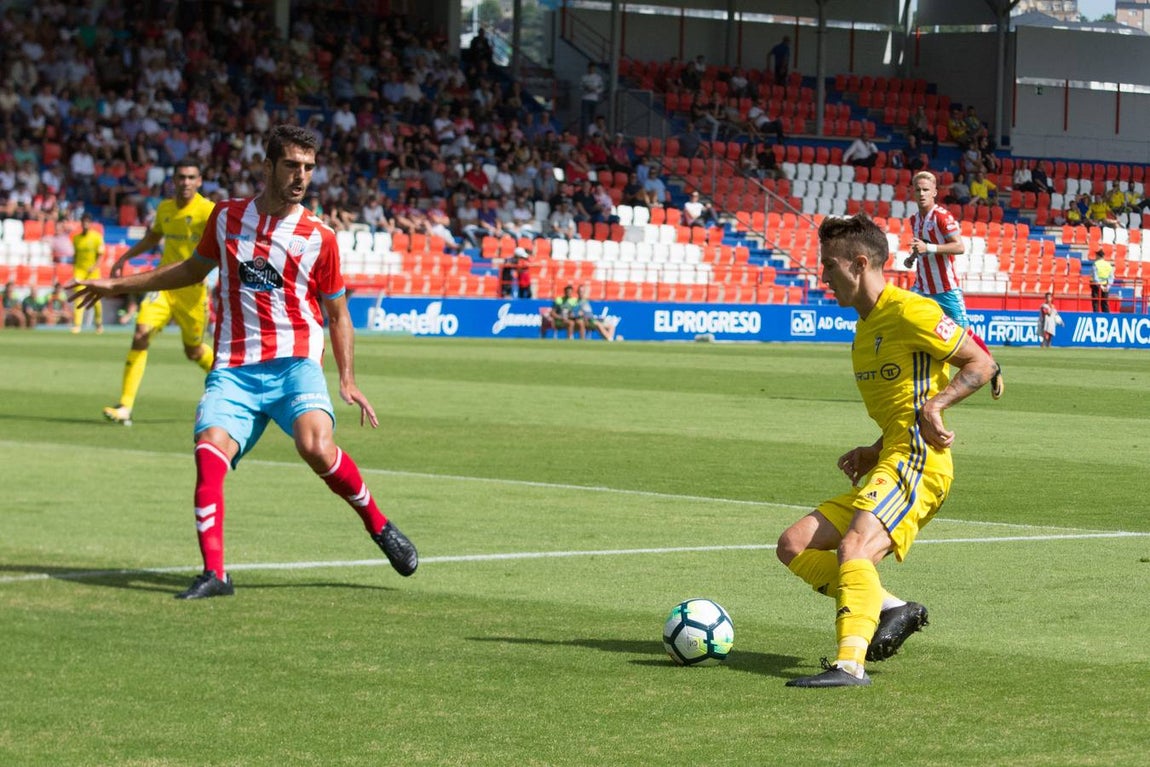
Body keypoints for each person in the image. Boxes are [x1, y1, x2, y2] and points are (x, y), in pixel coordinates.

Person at [67, 125, 418, 600]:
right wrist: (119, 284)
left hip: (294, 363)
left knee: (315, 446)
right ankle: (216, 575)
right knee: (208, 449)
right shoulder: (227, 217)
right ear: (267, 167)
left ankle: (378, 524)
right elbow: (192, 269)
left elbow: (338, 314)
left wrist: (348, 379)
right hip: (234, 366)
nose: (301, 176)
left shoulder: (320, 237)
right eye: (291, 165)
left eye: (309, 168)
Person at [777, 213, 996, 688]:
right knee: (793, 544)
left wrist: (938, 405)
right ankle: (891, 608)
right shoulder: (864, 330)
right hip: (894, 455)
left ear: (859, 263)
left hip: (920, 460)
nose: (823, 276)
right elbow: (904, 404)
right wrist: (874, 448)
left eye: (829, 265)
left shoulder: (908, 310)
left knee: (855, 547)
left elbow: (981, 362)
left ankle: (849, 665)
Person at [102, 161, 216, 426]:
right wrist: (125, 257)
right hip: (164, 285)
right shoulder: (165, 208)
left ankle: (230, 381)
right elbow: (153, 238)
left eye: (191, 177)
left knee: (194, 351)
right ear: (173, 181)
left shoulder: (208, 211)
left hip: (193, 291)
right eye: (181, 177)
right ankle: (125, 406)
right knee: (140, 334)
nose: (186, 182)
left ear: (199, 181)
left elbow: (223, 242)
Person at [904, 171, 1004, 399]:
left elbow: (959, 246)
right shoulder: (914, 220)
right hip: (921, 287)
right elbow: (922, 246)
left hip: (945, 288)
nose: (921, 193)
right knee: (907, 323)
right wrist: (912, 257)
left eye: (926, 190)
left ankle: (991, 367)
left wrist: (928, 248)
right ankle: (916, 380)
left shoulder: (942, 217)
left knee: (964, 333)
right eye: (918, 190)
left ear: (935, 192)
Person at [71, 213, 105, 334]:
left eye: (87, 222)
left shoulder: (97, 237)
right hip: (79, 271)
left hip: (93, 272)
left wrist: (94, 267)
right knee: (78, 297)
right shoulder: (76, 238)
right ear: (81, 223)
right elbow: (75, 255)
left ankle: (98, 323)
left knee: (96, 298)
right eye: (83, 222)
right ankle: (77, 325)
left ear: (90, 224)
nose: (85, 224)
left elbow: (100, 256)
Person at [580, 62, 604, 135]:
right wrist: (587, 89)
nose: (591, 69)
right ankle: (584, 133)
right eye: (590, 68)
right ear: (588, 68)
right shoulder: (584, 77)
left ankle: (592, 133)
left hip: (594, 99)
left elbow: (601, 88)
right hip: (585, 98)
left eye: (593, 68)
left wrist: (595, 90)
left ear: (594, 69)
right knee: (585, 118)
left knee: (593, 117)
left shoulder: (598, 77)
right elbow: (580, 87)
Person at [1090, 248, 1113, 313]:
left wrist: (1100, 286)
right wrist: (1108, 286)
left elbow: (1095, 277)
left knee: (1095, 302)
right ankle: (1106, 315)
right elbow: (1111, 277)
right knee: (1105, 302)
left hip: (1095, 285)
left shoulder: (1095, 264)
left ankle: (1096, 315)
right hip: (1105, 284)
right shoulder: (1108, 264)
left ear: (1098, 256)